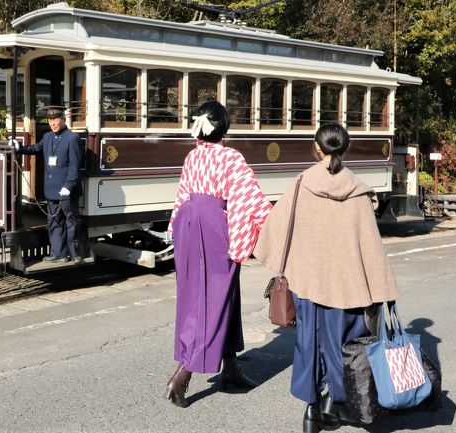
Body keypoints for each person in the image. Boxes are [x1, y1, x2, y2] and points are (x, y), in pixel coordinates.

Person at [253, 123, 399, 433]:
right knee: (345, 347)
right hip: (349, 288)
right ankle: (334, 403)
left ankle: (311, 412)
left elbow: (277, 226)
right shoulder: (358, 190)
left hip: (308, 283)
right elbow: (370, 245)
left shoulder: (302, 183)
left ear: (317, 148)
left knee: (310, 344)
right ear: (345, 149)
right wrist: (384, 289)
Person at [164, 101, 272, 408]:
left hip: (188, 222)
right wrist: (276, 224)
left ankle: (231, 369)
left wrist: (177, 228)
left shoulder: (193, 156)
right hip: (214, 225)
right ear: (223, 127)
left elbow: (182, 195)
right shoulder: (230, 157)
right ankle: (182, 376)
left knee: (214, 297)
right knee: (214, 299)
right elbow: (250, 198)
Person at [15, 105, 84, 264]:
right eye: (50, 120)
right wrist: (19, 148)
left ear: (63, 119)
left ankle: (76, 254)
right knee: (54, 222)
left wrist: (69, 185)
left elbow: (75, 166)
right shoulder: (47, 137)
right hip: (52, 189)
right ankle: (58, 253)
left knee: (71, 222)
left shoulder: (72, 138)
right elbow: (35, 149)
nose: (52, 123)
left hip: (67, 190)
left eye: (56, 119)